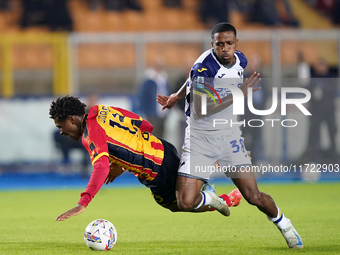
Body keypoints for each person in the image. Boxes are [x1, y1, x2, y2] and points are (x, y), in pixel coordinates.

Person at [156, 22, 303, 249]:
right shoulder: (205, 66)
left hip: (230, 136)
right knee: (184, 201)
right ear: (212, 45)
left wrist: (177, 94)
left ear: (236, 43)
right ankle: (214, 198)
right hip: (200, 140)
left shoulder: (241, 61)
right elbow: (202, 106)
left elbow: (191, 79)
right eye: (219, 44)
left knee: (253, 196)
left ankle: (285, 225)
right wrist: (239, 92)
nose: (224, 48)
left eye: (229, 43)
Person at [49, 95, 241, 221]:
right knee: (183, 195)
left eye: (60, 126)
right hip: (165, 149)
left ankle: (209, 194)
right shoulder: (101, 110)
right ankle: (224, 197)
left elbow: (101, 167)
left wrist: (83, 203)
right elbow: (146, 125)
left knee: (177, 204)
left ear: (72, 120)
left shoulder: (89, 134)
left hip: (153, 169)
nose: (61, 132)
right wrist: (122, 161)